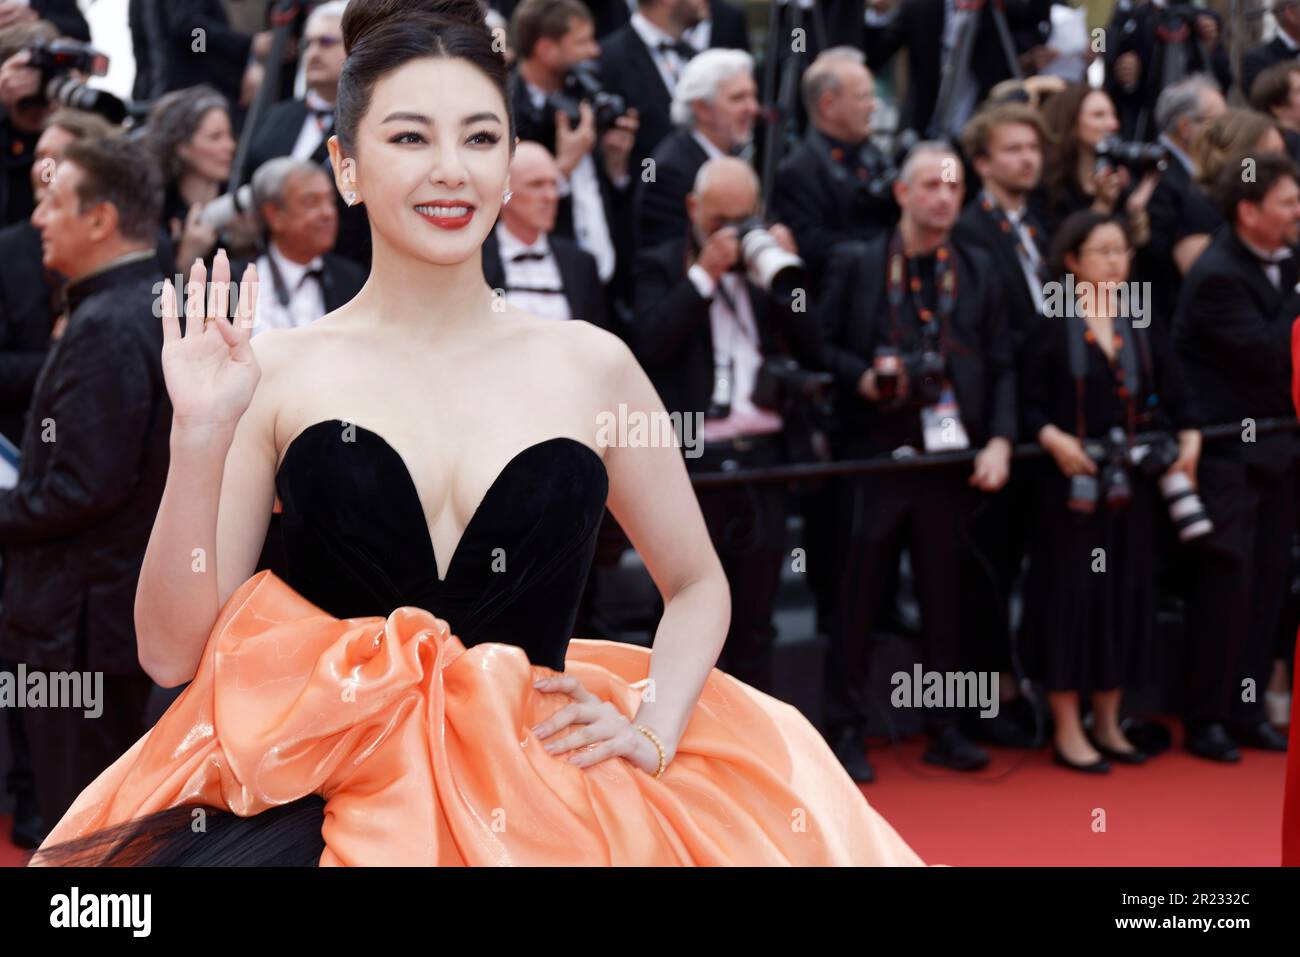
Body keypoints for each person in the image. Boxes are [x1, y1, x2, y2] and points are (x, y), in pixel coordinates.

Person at [29, 0, 924, 867]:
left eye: (481, 137)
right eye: (411, 137)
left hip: (554, 797)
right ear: (346, 166)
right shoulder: (277, 370)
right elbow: (169, 650)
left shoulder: (592, 364)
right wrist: (197, 440)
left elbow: (696, 584)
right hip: (322, 801)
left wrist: (653, 726)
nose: (451, 169)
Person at [816, 141, 1016, 782]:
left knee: (945, 597)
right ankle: (844, 729)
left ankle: (945, 726)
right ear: (902, 193)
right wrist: (864, 380)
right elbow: (820, 348)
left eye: (954, 187)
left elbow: (1004, 361)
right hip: (872, 457)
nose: (943, 197)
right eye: (930, 185)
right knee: (857, 600)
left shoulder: (980, 266)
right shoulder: (859, 262)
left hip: (950, 461)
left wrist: (1002, 440)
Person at [0, 134, 170, 840]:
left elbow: (81, 488)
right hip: (118, 622)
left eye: (53, 202)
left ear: (100, 220)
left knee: (88, 832)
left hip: (83, 635)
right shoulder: (159, 298)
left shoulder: (107, 321)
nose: (38, 217)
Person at [630, 156, 817, 698]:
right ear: (693, 210)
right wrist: (703, 276)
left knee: (756, 612)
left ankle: (755, 743)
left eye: (744, 219)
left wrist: (787, 271)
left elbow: (814, 346)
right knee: (678, 610)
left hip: (764, 456)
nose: (733, 234)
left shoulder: (770, 269)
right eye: (719, 222)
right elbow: (649, 346)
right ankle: (669, 735)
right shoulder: (660, 264)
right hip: (692, 462)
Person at [1020, 211, 1199, 772]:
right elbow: (1022, 401)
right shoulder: (1051, 318)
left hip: (1133, 487)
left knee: (1125, 595)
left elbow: (1178, 391)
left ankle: (1109, 719)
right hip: (1069, 492)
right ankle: (1067, 728)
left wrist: (1189, 438)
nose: (1115, 261)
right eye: (1101, 251)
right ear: (1072, 261)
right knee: (1071, 601)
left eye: (1121, 251)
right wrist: (1050, 437)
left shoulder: (1141, 316)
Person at [1173, 152, 1300, 762]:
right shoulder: (1218, 273)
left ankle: (1248, 712)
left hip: (1278, 453)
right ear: (1249, 211)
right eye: (1287, 203)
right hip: (1226, 453)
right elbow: (1270, 354)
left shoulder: (1288, 264)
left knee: (1270, 585)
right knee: (1227, 587)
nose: (1298, 211)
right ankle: (1207, 718)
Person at [634, 47, 758, 249]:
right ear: (701, 108)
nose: (752, 108)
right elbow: (665, 262)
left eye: (753, 96)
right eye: (738, 98)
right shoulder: (668, 173)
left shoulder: (735, 154)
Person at [481, 140, 609, 326]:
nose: (550, 196)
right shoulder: (474, 263)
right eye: (536, 184)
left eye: (553, 184)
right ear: (504, 192)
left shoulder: (580, 265)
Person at [247, 157, 367, 334]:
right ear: (274, 215)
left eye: (331, 201)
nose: (328, 213)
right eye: (311, 202)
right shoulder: (229, 283)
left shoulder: (353, 281)